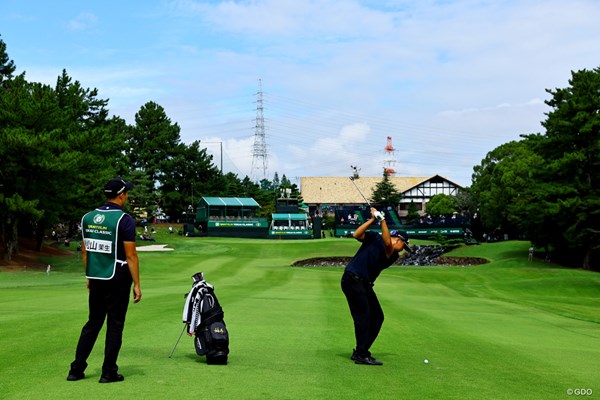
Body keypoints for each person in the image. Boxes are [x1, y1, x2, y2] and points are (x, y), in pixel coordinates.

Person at [67, 178, 142, 383]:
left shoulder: (88, 217)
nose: (127, 196)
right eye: (126, 193)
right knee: (115, 325)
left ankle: (76, 369)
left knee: (93, 323)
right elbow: (131, 255)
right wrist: (137, 284)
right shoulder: (124, 220)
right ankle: (108, 372)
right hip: (118, 276)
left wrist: (89, 275)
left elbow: (85, 250)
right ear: (120, 195)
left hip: (97, 275)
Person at [341, 207, 409, 366]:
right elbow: (356, 234)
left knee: (377, 317)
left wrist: (382, 219)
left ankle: (361, 350)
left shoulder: (392, 255)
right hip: (352, 279)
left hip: (364, 283)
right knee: (363, 316)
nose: (403, 250)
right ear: (398, 240)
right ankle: (361, 354)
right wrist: (372, 219)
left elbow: (387, 243)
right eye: (404, 246)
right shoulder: (374, 237)